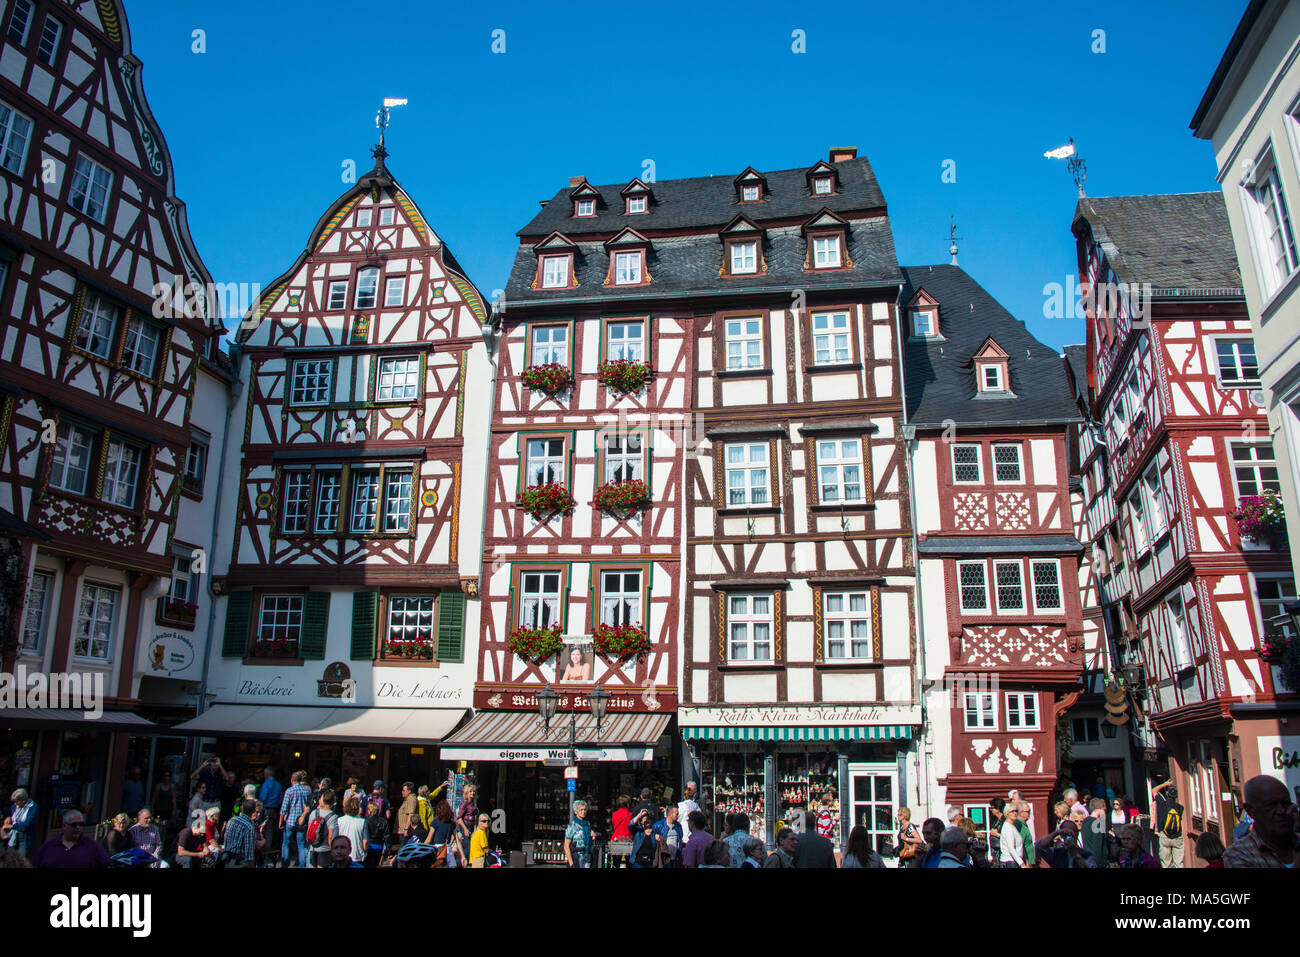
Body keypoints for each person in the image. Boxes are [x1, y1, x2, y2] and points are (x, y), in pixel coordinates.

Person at [1224, 774, 1300, 867]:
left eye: (1285, 803)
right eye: (1271, 805)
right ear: (1250, 810)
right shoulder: (1238, 854)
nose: (1282, 811)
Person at [32, 811, 109, 868]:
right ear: (64, 826)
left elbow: (106, 864)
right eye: (74, 825)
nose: (78, 827)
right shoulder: (48, 847)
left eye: (81, 824)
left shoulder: (92, 846)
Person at [1034, 819, 1099, 868]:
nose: (1069, 837)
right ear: (1062, 836)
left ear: (1077, 834)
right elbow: (1039, 846)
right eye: (1066, 835)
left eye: (1072, 834)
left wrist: (1076, 854)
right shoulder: (1056, 853)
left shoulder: (1086, 854)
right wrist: (1057, 833)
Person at [1152, 779, 1184, 868]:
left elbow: (1154, 790)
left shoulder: (1162, 803)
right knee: (1179, 863)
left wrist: (1165, 784)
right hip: (1177, 836)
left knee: (1166, 863)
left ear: (1167, 794)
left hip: (1165, 835)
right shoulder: (1180, 808)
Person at [222, 799, 259, 867]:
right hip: (239, 863)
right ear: (253, 811)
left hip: (226, 860)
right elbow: (249, 856)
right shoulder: (249, 827)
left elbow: (226, 842)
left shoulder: (231, 820)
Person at [3, 788, 38, 858]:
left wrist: (12, 826)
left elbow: (27, 824)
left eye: (17, 802)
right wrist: (8, 817)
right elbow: (8, 811)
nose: (15, 804)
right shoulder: (14, 806)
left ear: (23, 801)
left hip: (24, 837)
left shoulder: (33, 807)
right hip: (13, 837)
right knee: (10, 859)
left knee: (21, 860)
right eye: (14, 802)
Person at [427, 799, 458, 867]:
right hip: (447, 849)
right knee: (452, 865)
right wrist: (463, 856)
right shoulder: (452, 823)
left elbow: (428, 840)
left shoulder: (435, 822)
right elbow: (457, 841)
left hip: (437, 850)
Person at [258, 767, 282, 853]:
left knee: (261, 829)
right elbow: (280, 799)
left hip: (266, 809)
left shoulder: (266, 784)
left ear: (266, 774)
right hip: (274, 810)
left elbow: (262, 798)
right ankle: (268, 848)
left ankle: (263, 848)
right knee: (270, 830)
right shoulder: (278, 784)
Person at [337, 796, 367, 865]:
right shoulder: (363, 821)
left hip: (341, 853)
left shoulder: (339, 820)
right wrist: (364, 852)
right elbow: (365, 842)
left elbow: (333, 838)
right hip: (357, 854)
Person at [564, 800, 594, 868]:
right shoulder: (572, 826)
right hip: (576, 857)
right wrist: (571, 864)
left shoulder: (587, 824)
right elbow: (566, 846)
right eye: (581, 810)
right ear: (576, 812)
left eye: (585, 810)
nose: (583, 812)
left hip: (586, 856)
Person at [999, 803, 1026, 867]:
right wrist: (1022, 864)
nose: (1015, 813)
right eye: (1012, 811)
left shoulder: (1012, 826)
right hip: (1010, 862)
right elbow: (1011, 848)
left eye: (1016, 811)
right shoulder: (1008, 828)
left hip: (1014, 861)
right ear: (1007, 813)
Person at [151, 771, 177, 838]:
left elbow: (173, 799)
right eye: (165, 776)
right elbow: (154, 798)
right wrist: (152, 808)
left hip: (167, 810)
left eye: (168, 776)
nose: (166, 778)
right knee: (157, 826)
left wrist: (174, 810)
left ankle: (163, 840)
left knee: (165, 827)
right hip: (158, 810)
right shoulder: (158, 786)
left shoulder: (172, 787)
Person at [363, 800, 389, 868]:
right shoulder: (384, 821)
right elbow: (387, 836)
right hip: (379, 846)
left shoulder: (365, 821)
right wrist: (389, 851)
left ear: (369, 810)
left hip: (369, 846)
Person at [456, 783, 478, 860]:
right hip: (465, 826)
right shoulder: (464, 803)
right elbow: (459, 817)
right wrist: (465, 829)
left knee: (471, 845)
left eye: (474, 791)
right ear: (466, 793)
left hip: (471, 827)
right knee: (468, 846)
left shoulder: (473, 803)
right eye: (470, 791)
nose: (473, 793)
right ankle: (460, 862)